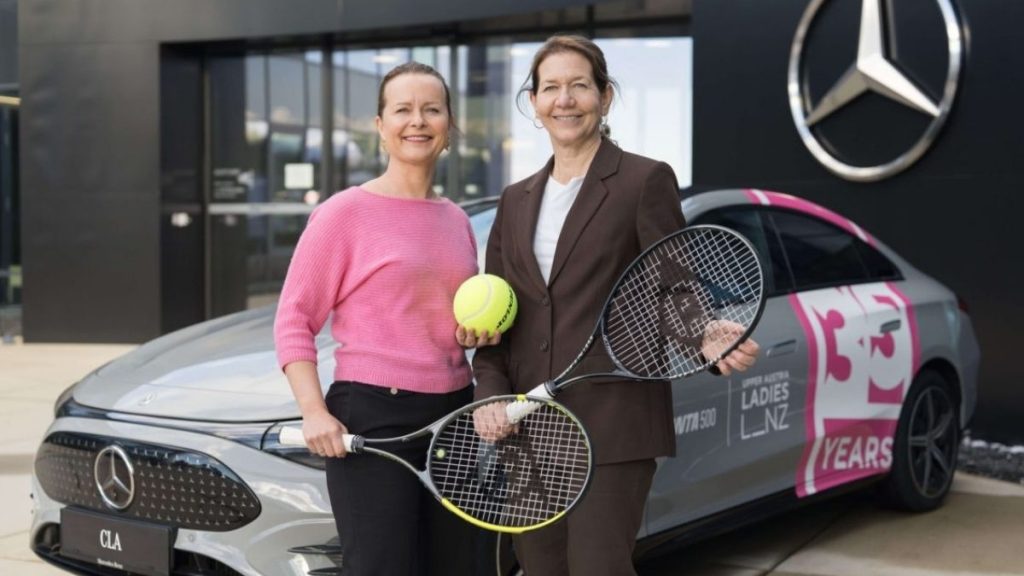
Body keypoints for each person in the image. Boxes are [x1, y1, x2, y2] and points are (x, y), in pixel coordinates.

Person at [467, 35, 761, 575]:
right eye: (551, 87)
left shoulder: (643, 180)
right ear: (533, 103)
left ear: (604, 97)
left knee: (599, 566)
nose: (565, 99)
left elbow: (671, 286)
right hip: (528, 424)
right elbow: (498, 320)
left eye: (579, 85)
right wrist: (489, 395)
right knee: (539, 567)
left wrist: (702, 334)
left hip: (613, 420)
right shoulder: (515, 200)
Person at [274, 61, 494, 576]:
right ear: (380, 126)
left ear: (448, 125)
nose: (417, 121)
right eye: (403, 110)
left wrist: (476, 333)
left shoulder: (456, 220)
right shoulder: (343, 213)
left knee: (459, 566)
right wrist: (312, 410)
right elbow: (293, 321)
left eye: (431, 109)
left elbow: (447, 322)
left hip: (453, 414)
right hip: (372, 416)